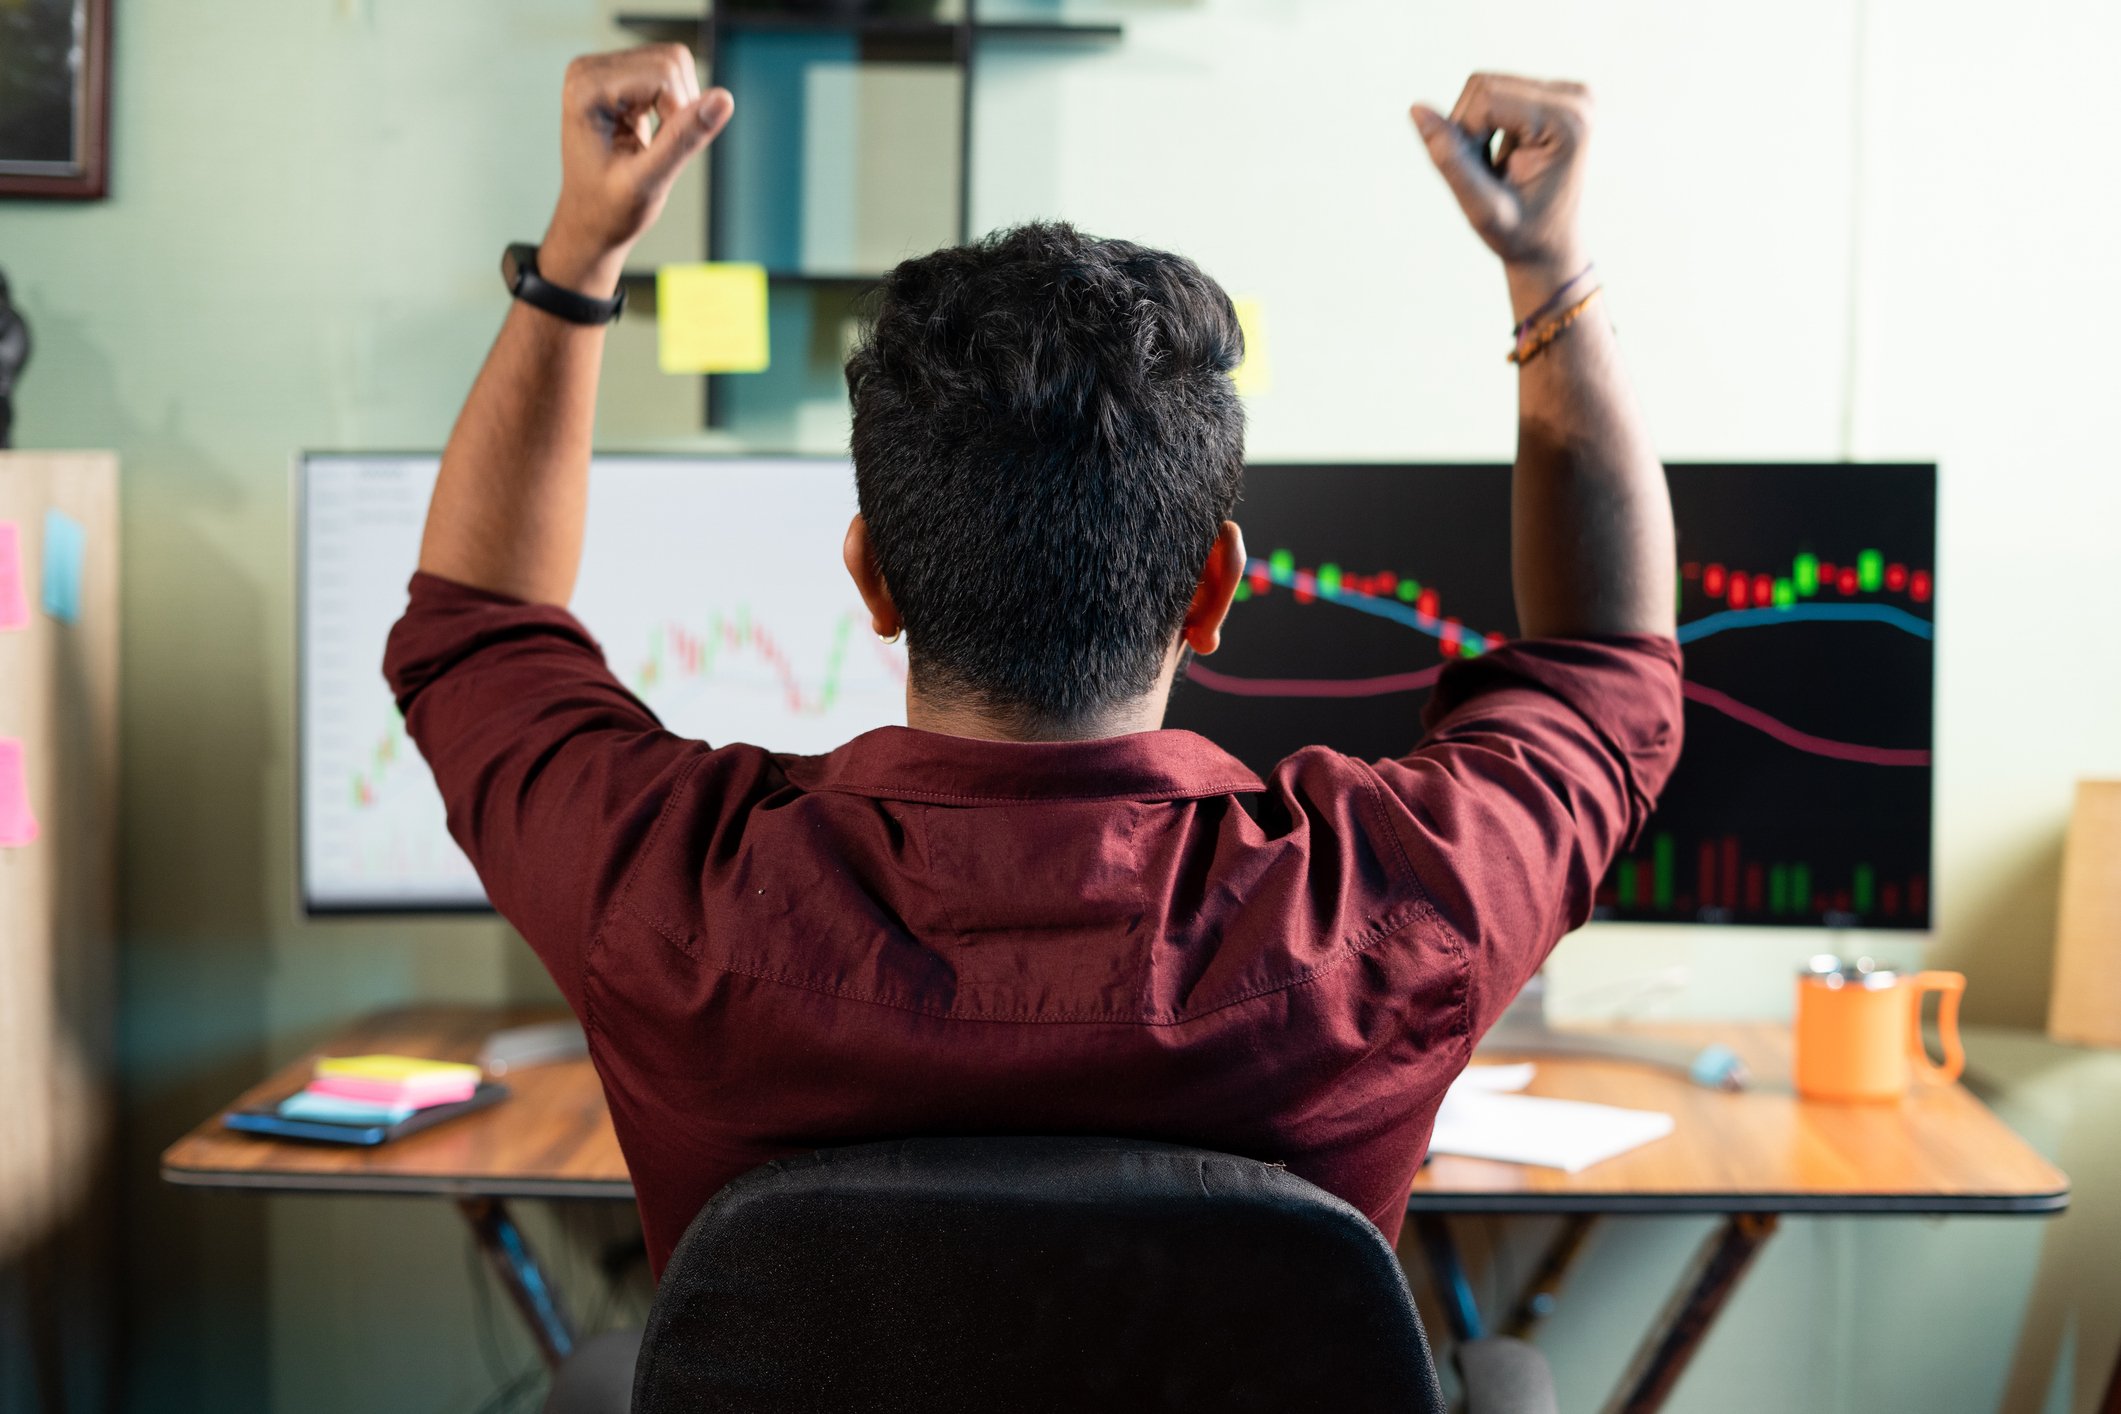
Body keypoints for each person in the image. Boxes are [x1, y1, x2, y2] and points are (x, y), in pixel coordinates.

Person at [389, 45, 1679, 1291]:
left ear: (870, 577)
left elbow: (474, 628)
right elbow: (1605, 673)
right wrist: (1548, 267)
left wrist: (577, 258)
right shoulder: (1394, 912)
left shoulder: (670, 899)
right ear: (1216, 587)